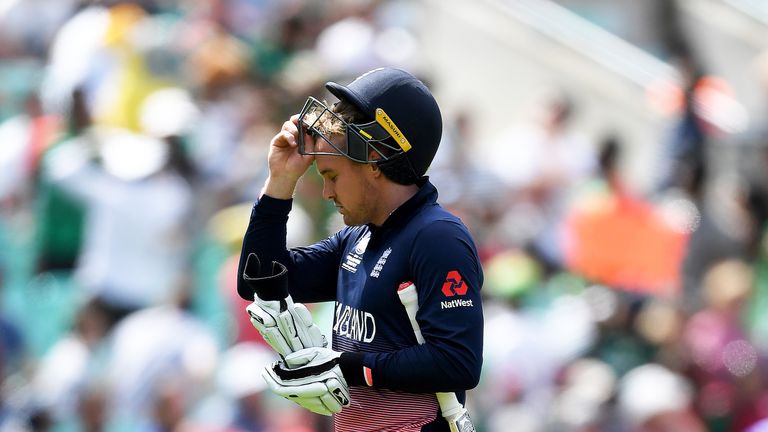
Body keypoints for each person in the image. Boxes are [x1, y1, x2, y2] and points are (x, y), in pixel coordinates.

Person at [237, 67, 484, 431]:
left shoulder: (438, 237)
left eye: (332, 176)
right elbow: (259, 282)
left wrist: (343, 366)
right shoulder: (358, 238)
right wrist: (280, 182)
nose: (327, 193)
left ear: (374, 159)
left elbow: (457, 362)